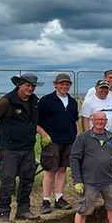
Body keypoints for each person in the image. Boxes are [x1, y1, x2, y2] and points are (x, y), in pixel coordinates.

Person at [0, 73, 44, 223]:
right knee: (7, 181)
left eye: (33, 86)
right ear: (20, 85)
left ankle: (23, 209)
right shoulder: (7, 101)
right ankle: (3, 213)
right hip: (9, 149)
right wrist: (6, 136)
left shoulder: (35, 101)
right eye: (28, 85)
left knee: (28, 180)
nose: (30, 89)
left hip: (28, 147)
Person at [36, 73, 79, 215]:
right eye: (61, 84)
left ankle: (59, 198)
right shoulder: (46, 101)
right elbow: (36, 121)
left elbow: (75, 120)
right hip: (52, 141)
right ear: (55, 84)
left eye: (67, 84)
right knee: (50, 170)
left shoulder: (72, 102)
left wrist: (77, 136)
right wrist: (43, 134)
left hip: (68, 141)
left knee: (62, 170)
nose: (64, 87)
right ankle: (46, 200)